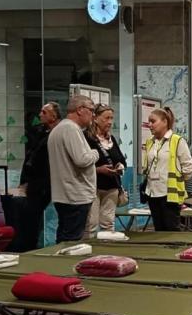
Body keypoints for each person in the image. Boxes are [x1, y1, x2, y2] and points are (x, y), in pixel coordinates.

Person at [47, 95, 100, 242]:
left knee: (64, 239)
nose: (93, 114)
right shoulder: (71, 129)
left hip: (65, 195)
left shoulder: (59, 129)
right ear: (80, 110)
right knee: (72, 242)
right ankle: (66, 266)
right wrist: (96, 153)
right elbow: (82, 159)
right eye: (91, 110)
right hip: (75, 196)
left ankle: (59, 264)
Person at [14, 101, 60, 251]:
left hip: (48, 182)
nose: (40, 115)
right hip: (35, 182)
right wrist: (25, 181)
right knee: (30, 217)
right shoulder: (39, 131)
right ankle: (30, 246)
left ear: (54, 116)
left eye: (44, 112)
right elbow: (31, 158)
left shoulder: (58, 133)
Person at [142, 107, 192, 231]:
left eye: (153, 121)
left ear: (164, 122)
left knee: (171, 230)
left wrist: (178, 181)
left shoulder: (177, 141)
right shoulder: (150, 142)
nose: (149, 125)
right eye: (148, 122)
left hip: (169, 194)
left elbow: (189, 168)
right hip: (152, 193)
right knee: (158, 229)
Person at [85, 104, 127, 237]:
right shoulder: (86, 138)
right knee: (91, 224)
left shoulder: (111, 139)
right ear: (96, 118)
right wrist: (98, 170)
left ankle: (107, 253)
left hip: (112, 188)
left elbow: (121, 159)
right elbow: (80, 163)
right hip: (93, 187)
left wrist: (120, 166)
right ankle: (88, 250)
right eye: (106, 118)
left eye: (111, 118)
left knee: (108, 224)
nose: (109, 122)